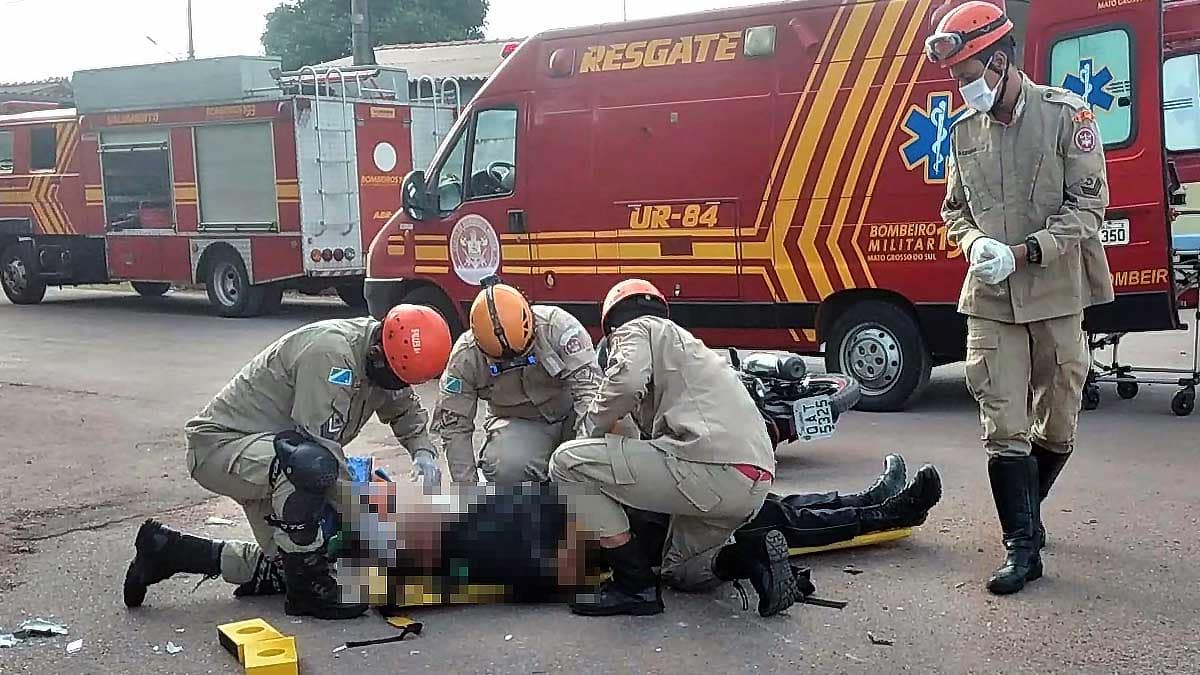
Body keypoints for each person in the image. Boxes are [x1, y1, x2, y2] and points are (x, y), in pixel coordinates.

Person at [548, 279, 929, 618]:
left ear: (612, 329)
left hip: (703, 477)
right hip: (739, 475)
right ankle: (759, 552)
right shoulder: (691, 353)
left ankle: (882, 509)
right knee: (688, 569)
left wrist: (585, 435)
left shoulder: (637, 332)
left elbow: (624, 389)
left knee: (786, 516)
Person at [927, 2, 1114, 595]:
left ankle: (1027, 511)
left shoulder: (1065, 117)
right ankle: (1022, 548)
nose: (961, 90)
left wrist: (1028, 251)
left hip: (1056, 290)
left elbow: (1089, 206)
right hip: (990, 298)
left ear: (1000, 63)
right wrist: (975, 241)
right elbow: (953, 211)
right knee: (1003, 422)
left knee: (1057, 421)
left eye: (966, 75)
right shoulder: (963, 134)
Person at [121, 305, 453, 620]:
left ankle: (167, 550)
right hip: (221, 447)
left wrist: (422, 451)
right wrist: (373, 529)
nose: (395, 387)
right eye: (393, 378)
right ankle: (308, 594)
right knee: (312, 470)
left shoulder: (387, 359)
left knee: (286, 566)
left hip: (271, 454)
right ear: (379, 352)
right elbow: (319, 453)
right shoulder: (331, 354)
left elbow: (403, 407)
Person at [341, 454, 942, 609]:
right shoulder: (465, 554)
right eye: (393, 503)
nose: (405, 493)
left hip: (608, 510)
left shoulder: (456, 522)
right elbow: (557, 570)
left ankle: (868, 500)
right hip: (621, 538)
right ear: (403, 539)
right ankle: (888, 512)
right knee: (764, 514)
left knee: (763, 504)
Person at [430, 277, 603, 485]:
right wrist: (468, 493)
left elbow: (590, 396)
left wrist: (583, 454)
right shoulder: (464, 358)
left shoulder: (559, 328)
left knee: (616, 429)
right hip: (518, 421)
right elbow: (455, 426)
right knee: (504, 467)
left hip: (571, 413)